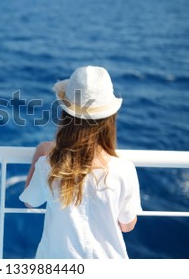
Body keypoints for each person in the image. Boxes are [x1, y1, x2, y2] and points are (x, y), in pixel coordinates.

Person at [19, 65, 142, 259]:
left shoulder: (48, 165)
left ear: (66, 117)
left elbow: (30, 202)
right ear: (109, 119)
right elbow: (127, 225)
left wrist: (40, 155)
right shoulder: (124, 169)